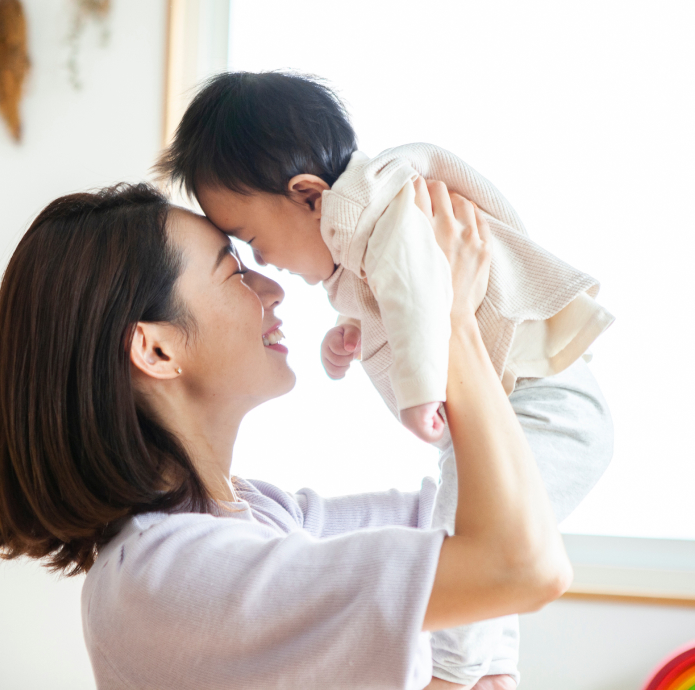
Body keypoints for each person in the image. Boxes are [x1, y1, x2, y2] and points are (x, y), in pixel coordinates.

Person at [0, 181, 573, 689]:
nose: (273, 287)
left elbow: (493, 514)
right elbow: (518, 563)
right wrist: (452, 322)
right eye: (234, 272)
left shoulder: (254, 513)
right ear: (156, 347)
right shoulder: (170, 576)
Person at [156, 71, 614, 688]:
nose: (265, 268)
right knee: (465, 527)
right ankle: (492, 668)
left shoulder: (381, 206)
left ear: (310, 195)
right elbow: (396, 298)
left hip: (546, 408)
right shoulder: (361, 238)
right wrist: (355, 332)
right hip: (527, 407)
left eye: (254, 242)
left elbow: (421, 287)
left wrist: (421, 387)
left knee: (469, 534)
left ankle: (451, 673)